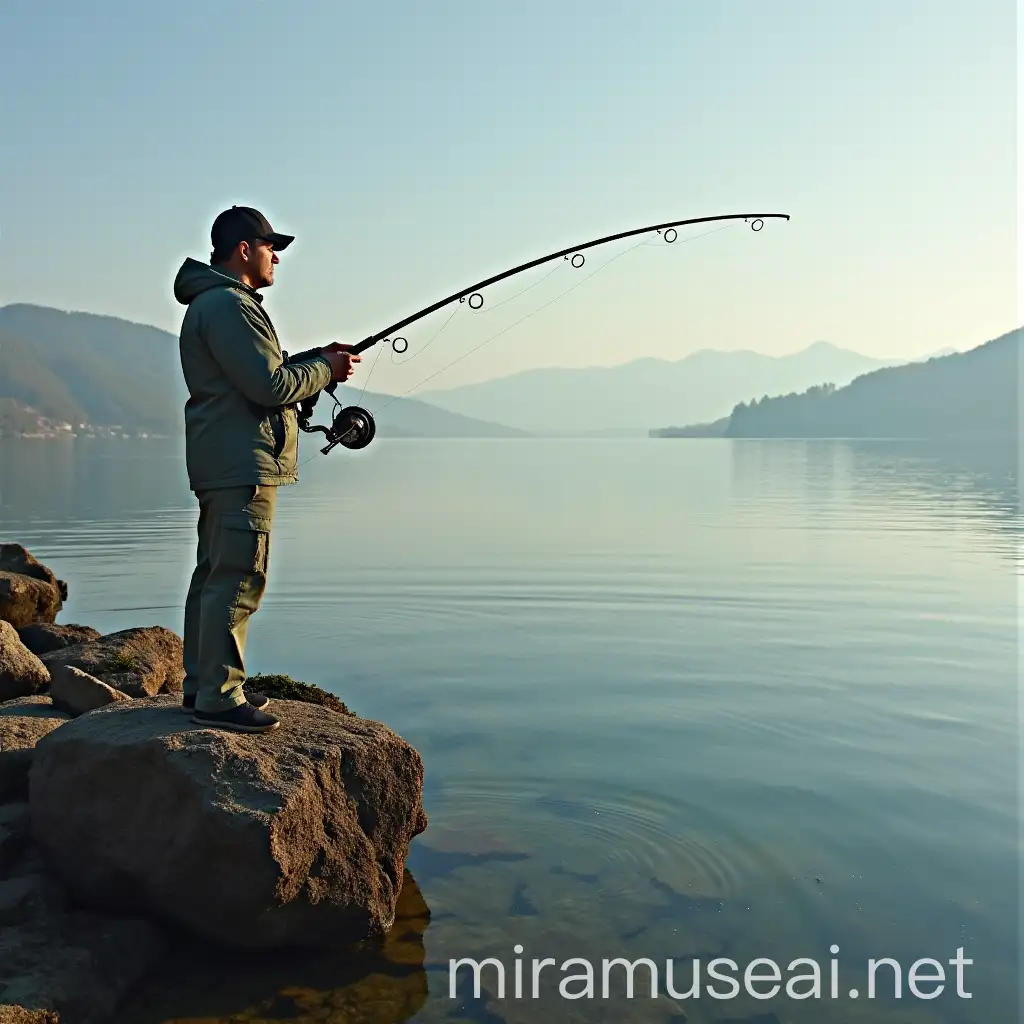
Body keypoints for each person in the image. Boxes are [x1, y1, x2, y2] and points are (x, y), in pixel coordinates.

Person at [171, 206, 359, 733]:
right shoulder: (230, 306)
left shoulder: (216, 304)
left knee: (212, 574)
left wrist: (316, 357)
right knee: (238, 575)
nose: (276, 257)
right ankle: (220, 697)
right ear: (244, 250)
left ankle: (200, 687)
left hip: (223, 459)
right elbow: (270, 387)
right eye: (271, 247)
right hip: (243, 464)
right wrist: (325, 369)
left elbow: (258, 373)